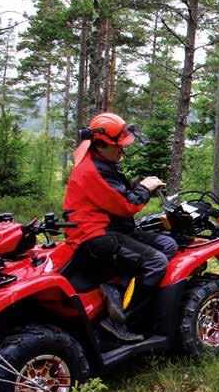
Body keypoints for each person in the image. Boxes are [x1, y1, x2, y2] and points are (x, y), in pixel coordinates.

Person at [64, 112, 177, 342]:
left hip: (111, 226)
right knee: (156, 263)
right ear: (101, 144)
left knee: (168, 244)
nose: (122, 150)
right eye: (118, 146)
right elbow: (127, 204)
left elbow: (115, 195)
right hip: (95, 235)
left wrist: (140, 185)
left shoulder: (102, 160)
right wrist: (144, 188)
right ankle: (119, 321)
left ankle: (116, 289)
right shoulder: (91, 170)